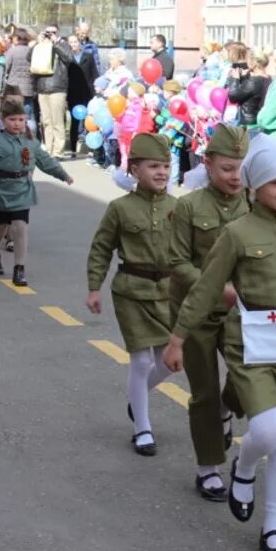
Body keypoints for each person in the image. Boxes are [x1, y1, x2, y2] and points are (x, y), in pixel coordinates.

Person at [163, 135, 276, 551]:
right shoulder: (237, 233)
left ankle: (272, 527)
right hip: (251, 342)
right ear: (256, 185)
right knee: (267, 431)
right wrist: (179, 337)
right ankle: (243, 465)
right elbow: (204, 289)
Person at [169, 125, 250, 501]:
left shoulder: (256, 206)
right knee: (203, 393)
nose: (235, 177)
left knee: (246, 378)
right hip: (197, 314)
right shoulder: (188, 207)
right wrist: (215, 286)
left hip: (241, 314)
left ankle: (226, 408)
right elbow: (177, 261)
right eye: (227, 169)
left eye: (241, 168)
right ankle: (209, 469)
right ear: (208, 164)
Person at [85, 133, 175, 456]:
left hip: (168, 293)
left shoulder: (179, 208)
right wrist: (94, 287)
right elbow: (101, 249)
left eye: (166, 165)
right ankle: (143, 428)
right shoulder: (119, 209)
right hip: (131, 291)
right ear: (135, 170)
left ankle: (138, 399)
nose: (162, 172)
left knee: (170, 361)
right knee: (140, 360)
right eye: (153, 166)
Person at [0, 100, 74, 286]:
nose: (17, 123)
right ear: (3, 120)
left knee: (20, 228)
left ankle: (19, 269)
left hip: (22, 189)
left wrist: (63, 175)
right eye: (12, 119)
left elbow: (46, 162)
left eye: (21, 119)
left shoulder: (31, 143)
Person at [30, 25, 73, 160]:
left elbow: (69, 59)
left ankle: (58, 152)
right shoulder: (41, 46)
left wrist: (56, 43)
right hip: (42, 88)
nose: (49, 35)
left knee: (57, 121)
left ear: (58, 33)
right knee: (46, 121)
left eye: (52, 32)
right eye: (47, 33)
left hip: (57, 87)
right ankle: (48, 150)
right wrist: (38, 42)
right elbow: (28, 57)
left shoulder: (63, 44)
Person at [67, 34, 99, 159]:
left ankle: (91, 149)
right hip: (72, 93)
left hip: (87, 93)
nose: (73, 44)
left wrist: (95, 92)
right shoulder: (67, 58)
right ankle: (73, 149)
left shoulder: (88, 56)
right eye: (71, 42)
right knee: (74, 122)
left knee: (89, 121)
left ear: (79, 43)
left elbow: (94, 74)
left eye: (75, 42)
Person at [226, 47, 270, 127]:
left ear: (254, 63)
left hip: (248, 123)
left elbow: (233, 97)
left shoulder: (253, 81)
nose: (246, 62)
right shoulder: (268, 78)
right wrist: (244, 77)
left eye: (248, 60)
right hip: (258, 120)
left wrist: (235, 79)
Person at [4, 28, 35, 134]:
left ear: (16, 38)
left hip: (14, 88)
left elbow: (5, 67)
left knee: (13, 114)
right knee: (26, 115)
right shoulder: (32, 51)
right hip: (28, 88)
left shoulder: (12, 51)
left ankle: (14, 135)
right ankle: (28, 135)